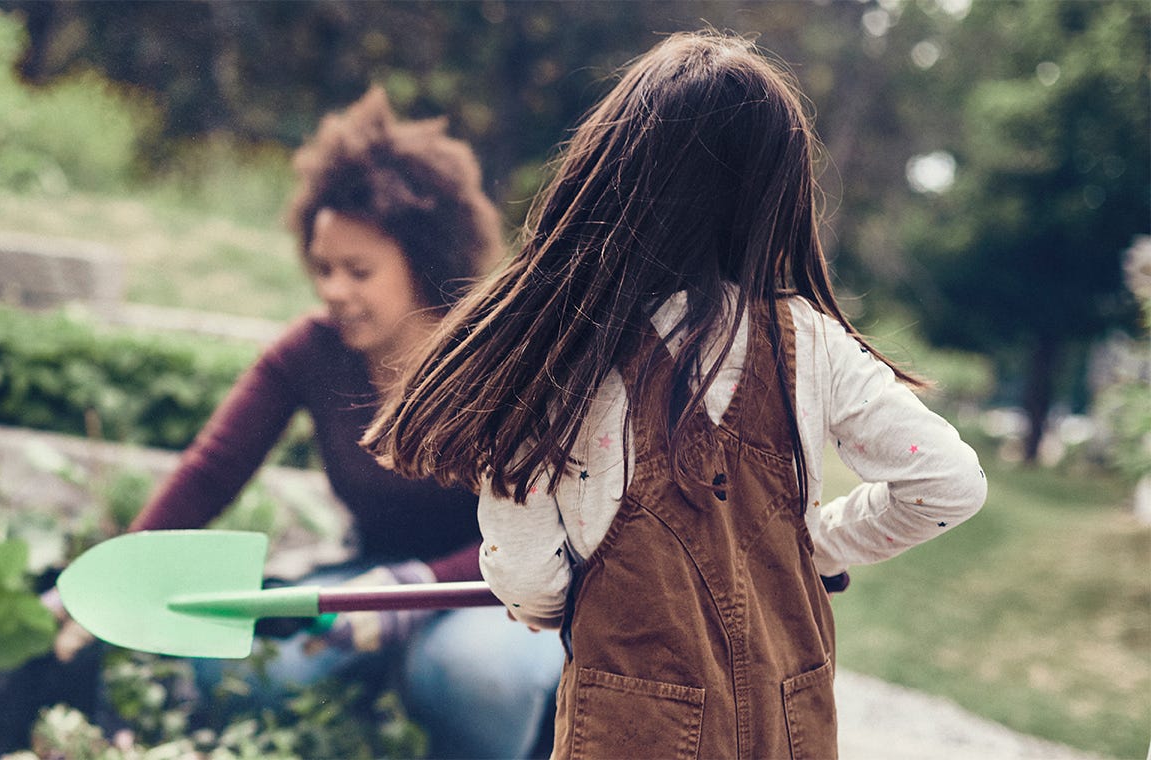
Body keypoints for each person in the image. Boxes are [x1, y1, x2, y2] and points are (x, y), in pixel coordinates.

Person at [362, 32, 988, 758]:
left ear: (612, 174)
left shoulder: (565, 349)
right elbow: (947, 484)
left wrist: (546, 606)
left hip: (631, 726)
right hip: (790, 723)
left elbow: (528, 569)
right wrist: (815, 546)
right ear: (773, 196)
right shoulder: (811, 343)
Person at [73, 87, 564, 759]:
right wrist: (118, 572)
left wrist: (413, 590)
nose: (333, 290)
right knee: (242, 670)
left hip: (494, 587)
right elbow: (213, 467)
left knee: (467, 676)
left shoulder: (494, 360)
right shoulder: (312, 352)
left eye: (358, 271)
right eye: (324, 268)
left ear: (421, 261)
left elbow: (546, 528)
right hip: (376, 573)